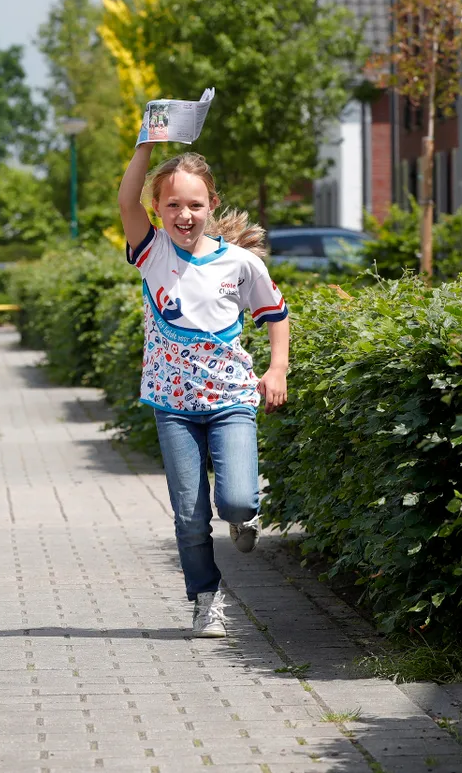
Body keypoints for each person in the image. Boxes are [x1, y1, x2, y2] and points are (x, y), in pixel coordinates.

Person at [117, 141, 290, 638]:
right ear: (158, 210)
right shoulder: (151, 252)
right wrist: (145, 146)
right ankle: (205, 599)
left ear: (212, 204)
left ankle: (242, 516)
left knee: (235, 500)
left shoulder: (239, 264)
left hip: (231, 400)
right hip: (172, 406)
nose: (184, 214)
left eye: (195, 204)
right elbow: (126, 202)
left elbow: (276, 316)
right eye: (172, 205)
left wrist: (277, 370)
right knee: (190, 516)